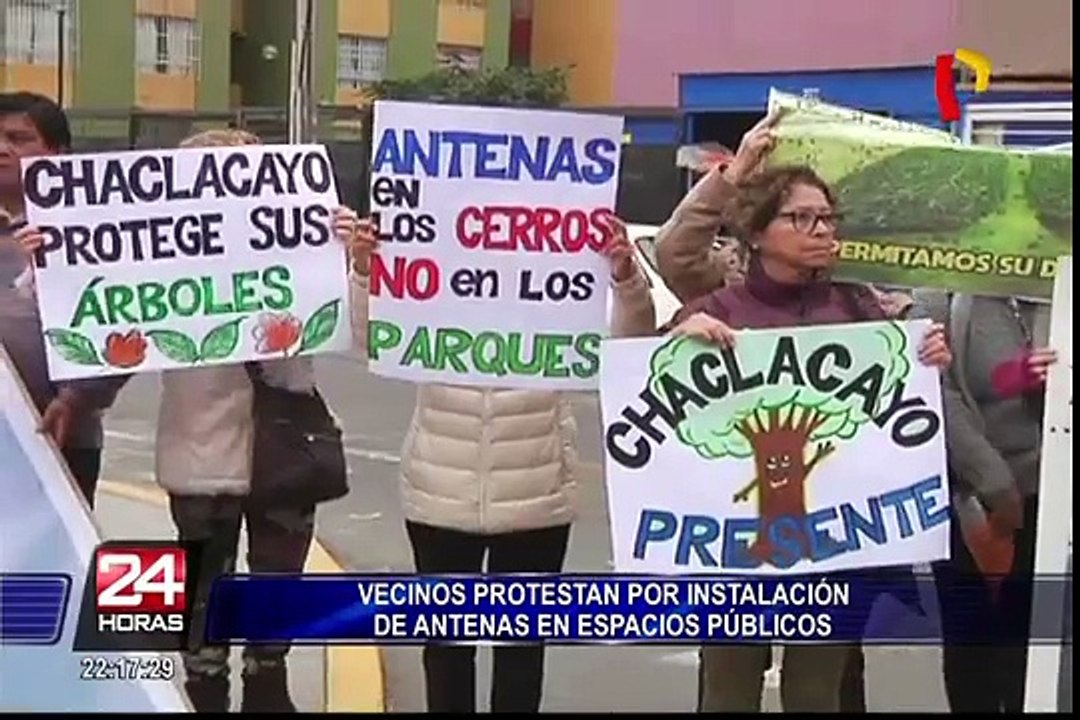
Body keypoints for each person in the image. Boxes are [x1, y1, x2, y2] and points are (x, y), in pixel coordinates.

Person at [658, 123, 952, 710]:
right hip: (731, 554)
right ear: (758, 231)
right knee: (727, 693)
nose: (822, 232)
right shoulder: (719, 303)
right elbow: (651, 389)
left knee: (818, 694)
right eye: (802, 219)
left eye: (828, 220)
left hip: (835, 546)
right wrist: (677, 341)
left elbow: (893, 413)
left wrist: (926, 361)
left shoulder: (856, 307)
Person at [351, 215, 656, 713]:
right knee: (447, 646)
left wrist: (623, 274)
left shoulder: (565, 283)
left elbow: (629, 340)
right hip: (439, 493)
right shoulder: (432, 280)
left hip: (537, 496)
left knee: (521, 647)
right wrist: (365, 268)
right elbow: (371, 338)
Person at [151, 129, 374, 712]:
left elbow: (364, 334)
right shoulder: (157, 261)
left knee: (278, 581)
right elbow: (96, 336)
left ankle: (267, 684)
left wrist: (355, 265)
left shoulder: (305, 252)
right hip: (198, 451)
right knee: (203, 592)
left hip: (285, 451)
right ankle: (205, 689)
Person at [910, 289, 1056, 712]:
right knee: (973, 640)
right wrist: (993, 484)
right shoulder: (940, 292)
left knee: (1039, 643)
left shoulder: (1055, 284)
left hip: (1052, 487)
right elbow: (937, 389)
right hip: (970, 492)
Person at [1, 91, 126, 508]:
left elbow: (121, 330)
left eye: (19, 139)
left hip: (60, 433)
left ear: (58, 154)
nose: (2, 149)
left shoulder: (95, 237)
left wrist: (75, 398)